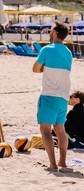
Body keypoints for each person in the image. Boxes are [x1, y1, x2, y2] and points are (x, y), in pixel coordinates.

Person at [32, 21, 73, 170]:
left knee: (45, 130)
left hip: (49, 94)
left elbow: (35, 69)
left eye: (50, 30)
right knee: (60, 129)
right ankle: (62, 161)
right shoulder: (68, 52)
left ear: (55, 33)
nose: (49, 32)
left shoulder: (47, 49)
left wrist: (44, 68)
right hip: (63, 95)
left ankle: (53, 164)